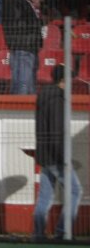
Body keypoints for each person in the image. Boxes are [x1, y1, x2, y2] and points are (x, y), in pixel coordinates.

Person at [34, 65, 82, 241]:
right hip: (56, 156)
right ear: (64, 80)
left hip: (45, 154)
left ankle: (38, 234)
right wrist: (64, 159)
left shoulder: (44, 94)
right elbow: (56, 131)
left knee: (45, 196)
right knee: (75, 191)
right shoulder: (58, 98)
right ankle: (63, 231)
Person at [3, 0, 44, 95]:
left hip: (25, 46)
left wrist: (37, 7)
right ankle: (20, 107)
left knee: (25, 85)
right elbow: (18, 24)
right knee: (24, 85)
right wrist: (34, 10)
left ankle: (21, 106)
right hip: (24, 46)